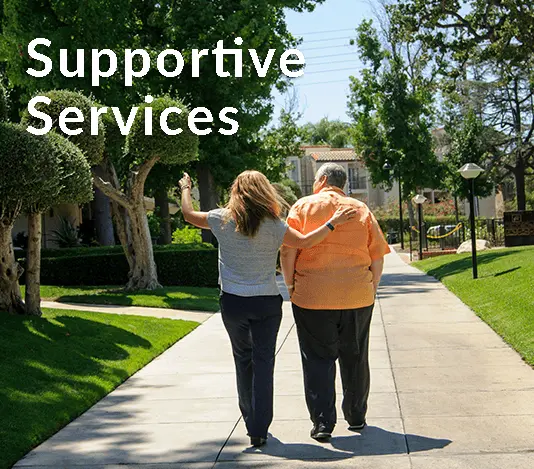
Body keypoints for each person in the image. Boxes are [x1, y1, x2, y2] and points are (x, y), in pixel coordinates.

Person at [178, 170, 357, 448]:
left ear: (236, 191)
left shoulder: (220, 219)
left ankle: (251, 420)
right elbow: (306, 241)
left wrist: (185, 188)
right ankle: (260, 428)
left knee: (242, 360)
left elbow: (188, 214)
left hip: (233, 303)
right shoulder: (275, 226)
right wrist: (333, 223)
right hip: (266, 304)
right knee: (264, 364)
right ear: (264, 192)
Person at [280, 163, 390, 441]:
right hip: (357, 296)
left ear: (323, 179)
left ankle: (322, 423)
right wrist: (372, 287)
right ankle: (356, 416)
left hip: (312, 296)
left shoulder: (302, 207)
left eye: (316, 181)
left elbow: (288, 250)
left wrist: (291, 285)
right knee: (355, 356)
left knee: (317, 359)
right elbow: (377, 255)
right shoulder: (361, 209)